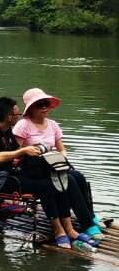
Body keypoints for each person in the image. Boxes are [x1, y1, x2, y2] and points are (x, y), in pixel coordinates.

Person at [13, 87, 103, 247]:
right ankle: (86, 223)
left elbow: (61, 148)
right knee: (69, 180)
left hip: (54, 165)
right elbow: (15, 153)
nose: (44, 108)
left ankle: (89, 215)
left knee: (78, 176)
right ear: (31, 108)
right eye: (39, 105)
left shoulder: (52, 125)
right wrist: (31, 152)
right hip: (34, 169)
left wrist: (62, 157)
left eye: (45, 104)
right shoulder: (23, 125)